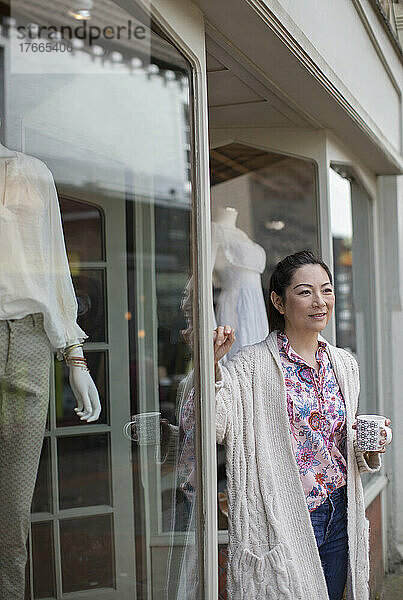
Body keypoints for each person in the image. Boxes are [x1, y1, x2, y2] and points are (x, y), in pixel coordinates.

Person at [213, 250, 391, 600]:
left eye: (326, 290)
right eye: (305, 291)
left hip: (340, 512)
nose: (319, 302)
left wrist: (369, 443)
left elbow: (338, 440)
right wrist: (211, 365)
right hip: (285, 516)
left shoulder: (343, 364)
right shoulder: (251, 365)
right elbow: (214, 424)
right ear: (279, 302)